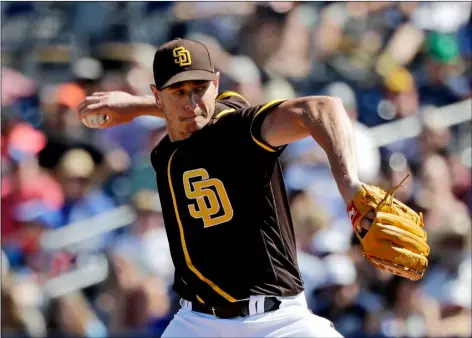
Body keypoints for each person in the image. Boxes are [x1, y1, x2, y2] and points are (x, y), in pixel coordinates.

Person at [78, 38, 367, 338]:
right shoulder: (164, 153)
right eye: (178, 91)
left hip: (279, 321)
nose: (191, 102)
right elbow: (188, 112)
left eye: (200, 88)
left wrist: (351, 189)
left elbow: (323, 108)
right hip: (196, 322)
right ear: (158, 95)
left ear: (216, 84)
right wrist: (136, 107)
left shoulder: (239, 129)